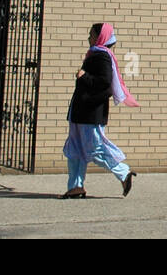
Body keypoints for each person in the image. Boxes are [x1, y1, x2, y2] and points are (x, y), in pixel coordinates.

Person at [60, 22, 140, 198]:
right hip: (81, 113)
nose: (89, 38)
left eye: (91, 34)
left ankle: (123, 172)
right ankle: (75, 186)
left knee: (94, 148)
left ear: (100, 37)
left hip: (90, 113)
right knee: (75, 149)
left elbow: (105, 83)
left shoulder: (101, 56)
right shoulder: (95, 54)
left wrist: (84, 76)